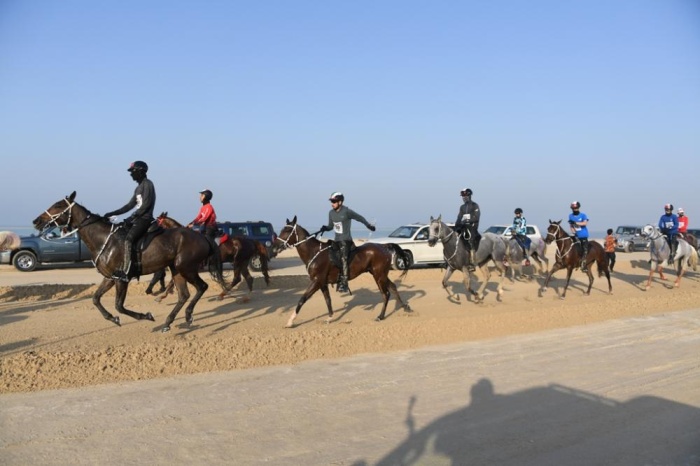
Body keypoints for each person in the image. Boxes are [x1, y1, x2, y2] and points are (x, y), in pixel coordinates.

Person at [104, 161, 156, 281]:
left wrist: (130, 218)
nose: (131, 174)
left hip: (144, 219)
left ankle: (126, 271)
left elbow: (146, 205)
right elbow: (129, 206)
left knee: (128, 240)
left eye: (133, 171)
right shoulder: (138, 188)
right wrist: (113, 213)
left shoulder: (148, 184)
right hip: (137, 218)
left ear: (140, 171)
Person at [319, 192, 375, 293]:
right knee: (330, 256)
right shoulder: (331, 213)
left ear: (340, 202)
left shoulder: (347, 211)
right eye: (331, 201)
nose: (332, 203)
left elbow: (360, 218)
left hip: (346, 241)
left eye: (334, 201)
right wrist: (325, 228)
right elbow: (331, 226)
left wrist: (368, 225)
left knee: (343, 258)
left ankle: (344, 283)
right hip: (336, 241)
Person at [454, 188, 480, 272]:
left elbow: (476, 217)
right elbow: (459, 218)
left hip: (472, 227)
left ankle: (472, 263)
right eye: (463, 196)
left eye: (465, 196)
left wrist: (467, 220)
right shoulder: (462, 207)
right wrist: (456, 227)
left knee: (470, 241)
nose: (464, 198)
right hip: (464, 227)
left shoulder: (475, 205)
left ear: (469, 196)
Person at [568, 201, 589, 272]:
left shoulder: (583, 215)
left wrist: (576, 222)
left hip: (583, 235)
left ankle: (584, 265)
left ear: (578, 208)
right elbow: (571, 226)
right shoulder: (570, 216)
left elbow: (585, 223)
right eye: (573, 208)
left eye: (576, 208)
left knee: (584, 250)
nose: (574, 209)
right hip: (575, 235)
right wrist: (574, 232)